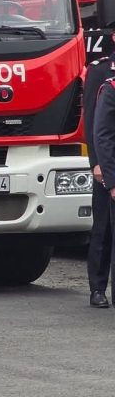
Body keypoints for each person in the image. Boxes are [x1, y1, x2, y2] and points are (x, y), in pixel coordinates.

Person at [83, 39, 114, 308]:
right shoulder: (101, 70)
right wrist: (96, 162)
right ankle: (98, 287)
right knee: (103, 227)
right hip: (108, 162)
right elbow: (93, 121)